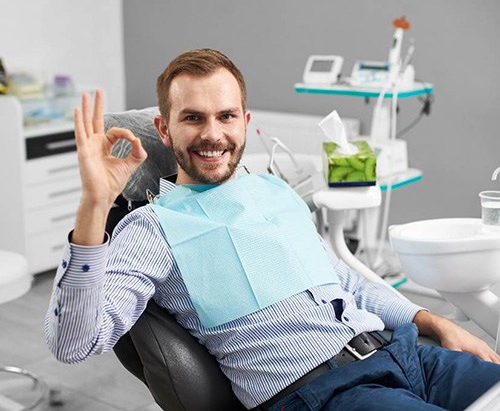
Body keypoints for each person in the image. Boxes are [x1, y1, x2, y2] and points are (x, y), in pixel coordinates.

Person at [45, 49, 500, 411]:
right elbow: (74, 342)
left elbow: (347, 283)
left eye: (225, 116)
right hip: (324, 394)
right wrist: (94, 204)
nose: (212, 134)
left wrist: (435, 322)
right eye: (193, 118)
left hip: (405, 354)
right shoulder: (152, 227)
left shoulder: (274, 192)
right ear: (164, 130)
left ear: (245, 122)